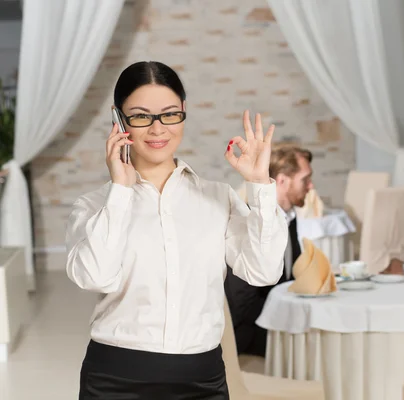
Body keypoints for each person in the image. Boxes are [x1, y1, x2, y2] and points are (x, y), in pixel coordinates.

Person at [65, 61, 288, 399]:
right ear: (118, 119)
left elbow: (263, 271)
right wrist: (121, 192)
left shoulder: (218, 198)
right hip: (114, 380)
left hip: (202, 379)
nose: (158, 129)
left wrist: (259, 185)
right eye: (141, 116)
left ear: (183, 111)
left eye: (169, 114)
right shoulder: (95, 206)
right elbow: (95, 276)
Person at [224, 144, 314, 357]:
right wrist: (293, 316)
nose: (310, 186)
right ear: (282, 181)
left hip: (275, 317)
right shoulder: (250, 223)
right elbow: (242, 304)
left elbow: (293, 275)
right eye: (305, 179)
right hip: (251, 332)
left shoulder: (288, 217)